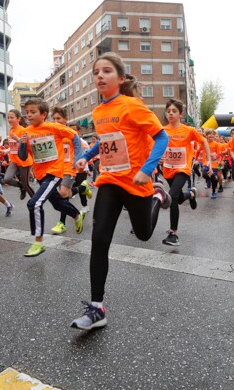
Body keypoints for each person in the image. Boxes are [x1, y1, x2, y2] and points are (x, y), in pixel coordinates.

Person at [70, 52, 171, 330]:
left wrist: (148, 171)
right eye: (96, 72)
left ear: (121, 78)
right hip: (110, 181)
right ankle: (97, 308)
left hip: (137, 182)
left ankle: (158, 196)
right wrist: (87, 157)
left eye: (106, 71)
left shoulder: (132, 106)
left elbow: (162, 137)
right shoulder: (98, 111)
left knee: (143, 234)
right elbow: (105, 142)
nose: (99, 76)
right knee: (99, 241)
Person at [17, 99, 85, 257]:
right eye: (27, 112)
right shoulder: (26, 132)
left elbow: (75, 138)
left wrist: (77, 160)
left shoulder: (54, 127)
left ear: (44, 114)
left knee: (34, 203)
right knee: (57, 203)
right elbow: (22, 156)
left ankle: (38, 242)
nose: (29, 115)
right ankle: (76, 214)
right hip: (40, 174)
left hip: (55, 172)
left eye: (33, 112)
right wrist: (22, 143)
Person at [161, 98, 211, 246]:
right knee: (177, 197)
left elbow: (204, 142)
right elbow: (156, 146)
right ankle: (190, 194)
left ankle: (173, 233)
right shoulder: (163, 130)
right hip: (168, 168)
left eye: (174, 111)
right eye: (168, 111)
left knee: (171, 197)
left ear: (180, 114)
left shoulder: (188, 130)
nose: (170, 113)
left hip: (183, 168)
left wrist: (208, 161)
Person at [49, 107, 92, 234]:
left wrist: (78, 163)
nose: (56, 121)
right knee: (64, 195)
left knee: (63, 194)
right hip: (58, 168)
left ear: (65, 119)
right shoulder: (54, 134)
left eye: (59, 118)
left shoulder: (70, 134)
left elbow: (83, 150)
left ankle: (61, 223)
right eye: (54, 118)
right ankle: (82, 189)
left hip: (70, 168)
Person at [4, 109, 34, 200]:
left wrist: (17, 138)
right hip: (14, 160)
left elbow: (28, 145)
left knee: (26, 184)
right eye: (8, 117)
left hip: (24, 160)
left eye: (12, 117)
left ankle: (35, 202)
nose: (9, 119)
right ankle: (21, 187)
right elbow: (13, 146)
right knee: (7, 179)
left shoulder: (23, 130)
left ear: (19, 119)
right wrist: (4, 152)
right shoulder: (11, 130)